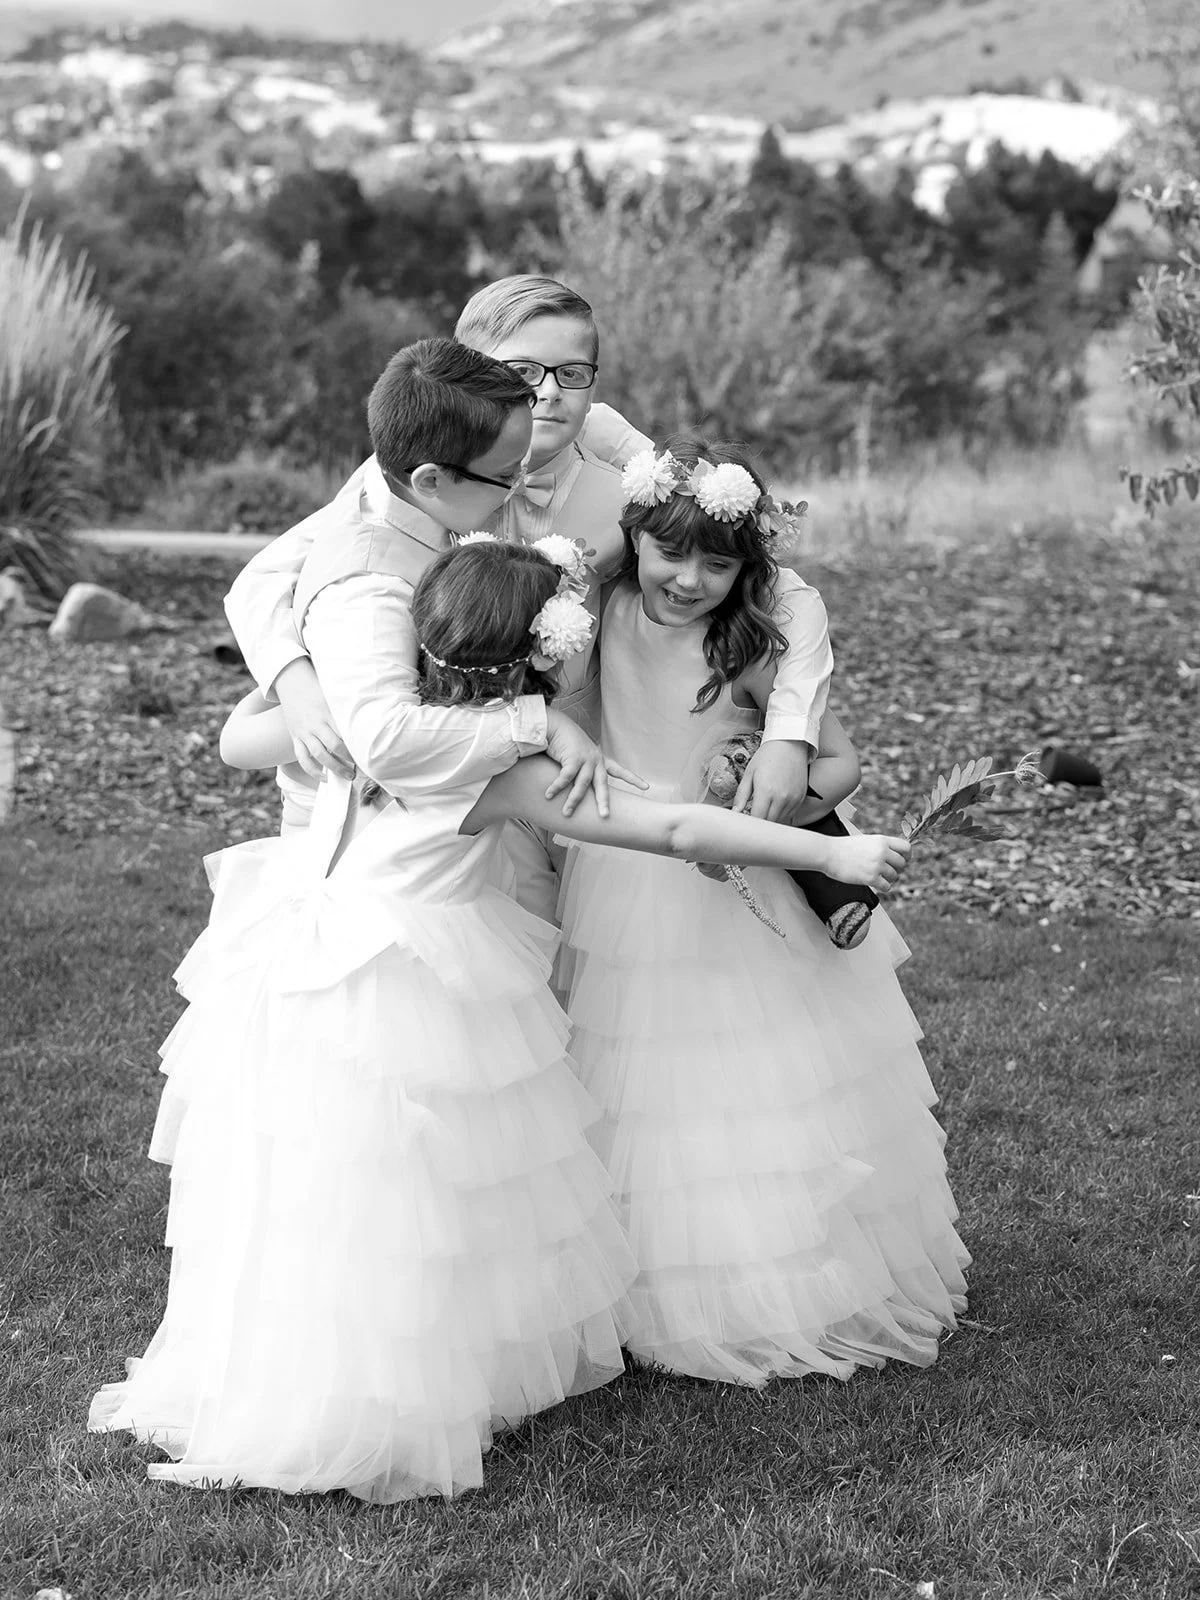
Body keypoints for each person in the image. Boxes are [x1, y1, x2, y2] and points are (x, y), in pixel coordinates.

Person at [89, 537, 911, 1501]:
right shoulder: (503, 764)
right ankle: (371, 1406)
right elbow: (676, 828)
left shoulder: (364, 721)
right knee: (410, 1205)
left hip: (303, 972)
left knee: (307, 1198)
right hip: (407, 980)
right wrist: (833, 859)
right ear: (540, 660)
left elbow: (241, 731)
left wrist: (304, 684)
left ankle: (291, 1377)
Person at [554, 439, 970, 1387]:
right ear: (636, 541)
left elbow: (841, 766)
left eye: (719, 563)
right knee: (632, 1076)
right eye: (670, 554)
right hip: (629, 862)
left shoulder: (752, 645)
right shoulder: (600, 614)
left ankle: (766, 1287)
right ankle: (628, 1282)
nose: (689, 579)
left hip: (748, 876)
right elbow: (576, 719)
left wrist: (753, 793)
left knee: (753, 1081)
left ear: (750, 569)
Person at [221, 276, 833, 920]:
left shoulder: (634, 476)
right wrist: (295, 682)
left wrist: (789, 735)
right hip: (446, 764)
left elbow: (771, 584)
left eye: (572, 373)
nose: (547, 392)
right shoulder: (412, 475)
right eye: (522, 371)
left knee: (575, 970)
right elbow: (272, 578)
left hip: (587, 762)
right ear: (470, 378)